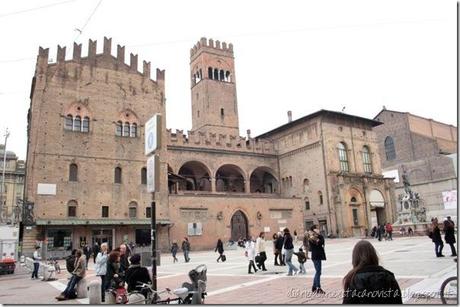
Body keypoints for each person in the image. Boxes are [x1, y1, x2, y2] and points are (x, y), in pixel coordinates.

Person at [309, 225, 326, 294]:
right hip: (316, 256)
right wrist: (318, 236)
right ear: (314, 230)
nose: (318, 229)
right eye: (316, 229)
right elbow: (319, 242)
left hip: (318, 256)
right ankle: (318, 287)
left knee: (318, 272)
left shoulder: (317, 236)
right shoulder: (312, 237)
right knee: (318, 272)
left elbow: (322, 241)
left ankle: (314, 287)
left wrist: (319, 236)